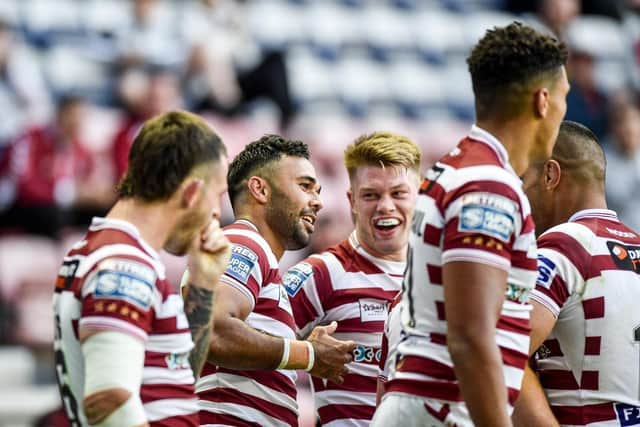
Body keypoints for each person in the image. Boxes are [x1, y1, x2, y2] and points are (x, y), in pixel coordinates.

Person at [372, 22, 569, 427]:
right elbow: (470, 336)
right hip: (444, 409)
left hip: (426, 403)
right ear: (543, 101)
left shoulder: (458, 168)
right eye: (565, 98)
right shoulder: (487, 186)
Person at [53, 111, 231, 426]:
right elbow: (108, 401)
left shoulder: (103, 251)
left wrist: (203, 281)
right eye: (217, 196)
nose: (217, 212)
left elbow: (176, 372)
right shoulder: (124, 265)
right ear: (190, 193)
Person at [195, 135, 356, 426]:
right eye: (305, 186)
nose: (318, 202)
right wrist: (307, 354)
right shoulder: (243, 243)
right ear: (260, 189)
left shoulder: (255, 255)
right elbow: (213, 330)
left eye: (318, 191)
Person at [284, 131, 421, 426]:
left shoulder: (443, 277)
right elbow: (247, 338)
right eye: (371, 195)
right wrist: (305, 354)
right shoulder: (323, 273)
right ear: (352, 201)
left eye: (398, 193)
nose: (385, 206)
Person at [512, 121, 640, 426]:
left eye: (522, 178)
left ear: (550, 175)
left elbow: (502, 358)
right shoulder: (635, 243)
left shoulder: (563, 247)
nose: (519, 194)